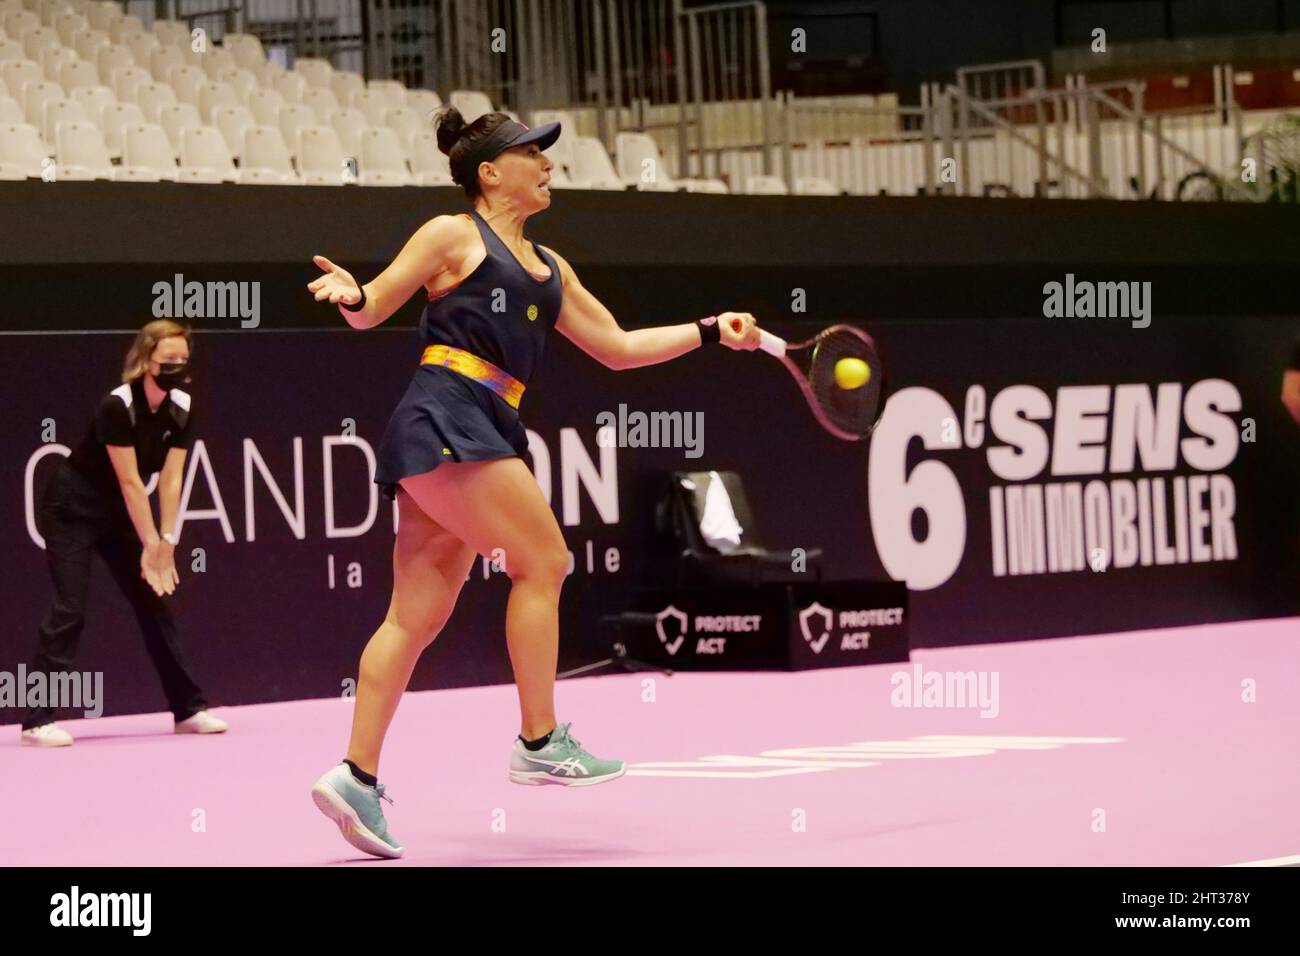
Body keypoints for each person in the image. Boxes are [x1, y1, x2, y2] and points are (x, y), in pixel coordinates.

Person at [307, 107, 760, 858]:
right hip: (449, 411)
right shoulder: (452, 234)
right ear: (491, 172)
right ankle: (540, 738)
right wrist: (353, 296)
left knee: (414, 618)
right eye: (532, 154)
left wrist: (709, 329)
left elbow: (616, 348)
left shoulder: (552, 268)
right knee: (545, 562)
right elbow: (374, 305)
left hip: (480, 422)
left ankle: (355, 776)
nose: (548, 164)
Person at [21, 319, 226, 746]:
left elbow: (171, 480)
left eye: (182, 360)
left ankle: (187, 710)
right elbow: (132, 483)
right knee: (69, 608)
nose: (176, 366)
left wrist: (167, 541)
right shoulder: (117, 406)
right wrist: (150, 544)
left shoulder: (183, 408)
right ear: (145, 359)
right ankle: (37, 721)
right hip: (72, 507)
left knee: (154, 603)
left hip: (117, 512)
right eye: (167, 359)